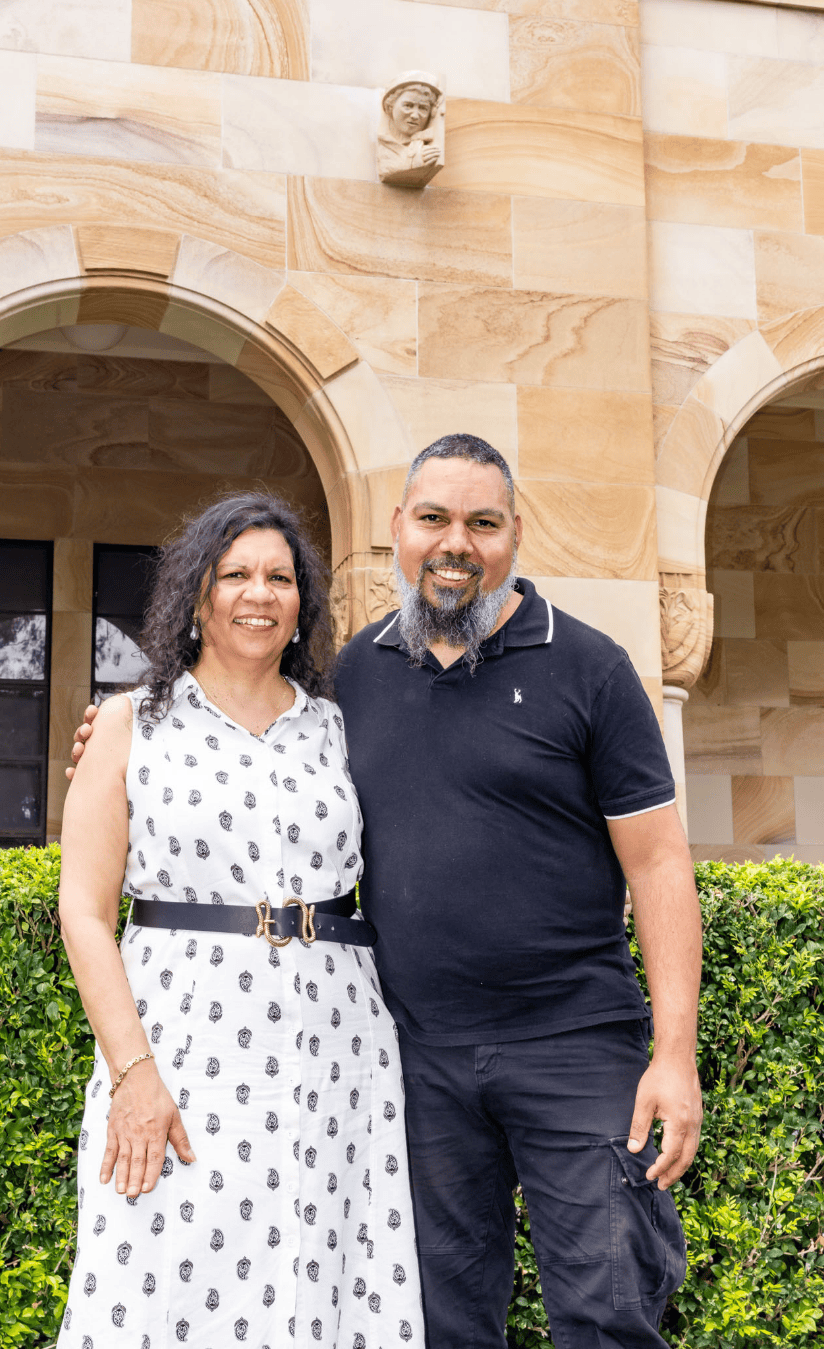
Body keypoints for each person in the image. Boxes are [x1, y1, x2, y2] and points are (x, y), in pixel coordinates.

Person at [71, 438, 703, 1348]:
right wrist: (113, 743)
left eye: (482, 522)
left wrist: (674, 1054)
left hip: (575, 1050)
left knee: (608, 1307)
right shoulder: (353, 679)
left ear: (515, 534)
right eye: (434, 519)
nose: (457, 543)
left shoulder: (591, 668)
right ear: (397, 531)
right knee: (440, 1318)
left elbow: (659, 864)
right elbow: (206, 784)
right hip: (416, 1060)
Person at [57, 493, 424, 1349]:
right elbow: (83, 910)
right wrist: (132, 1074)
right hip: (180, 1054)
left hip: (336, 1057)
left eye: (280, 577)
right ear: (196, 597)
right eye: (235, 575)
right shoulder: (128, 723)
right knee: (157, 1273)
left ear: (303, 604)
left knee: (320, 1277)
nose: (258, 594)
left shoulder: (340, 729)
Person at [376, 76, 442, 185]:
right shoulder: (385, 143)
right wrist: (414, 161)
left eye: (423, 108)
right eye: (408, 106)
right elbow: (387, 169)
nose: (415, 115)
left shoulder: (422, 145)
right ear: (390, 107)